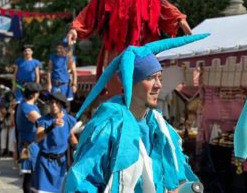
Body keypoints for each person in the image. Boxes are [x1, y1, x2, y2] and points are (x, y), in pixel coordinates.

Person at [64, 34, 209, 192]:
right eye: (150, 78)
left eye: (159, 77)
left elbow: (175, 176)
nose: (158, 85)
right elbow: (83, 183)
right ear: (130, 83)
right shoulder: (107, 128)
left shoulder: (161, 128)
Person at [66, 0, 192, 95]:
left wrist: (180, 20)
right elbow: (90, 11)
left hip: (140, 47)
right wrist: (75, 28)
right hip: (115, 49)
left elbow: (164, 6)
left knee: (142, 89)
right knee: (116, 89)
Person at [32, 92, 78, 192]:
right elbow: (37, 137)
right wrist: (52, 126)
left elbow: (71, 136)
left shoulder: (69, 120)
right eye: (51, 102)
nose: (53, 105)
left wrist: (77, 147)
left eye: (56, 102)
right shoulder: (43, 120)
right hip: (44, 163)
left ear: (61, 104)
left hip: (61, 163)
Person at [15, 83, 42, 193]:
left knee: (30, 177)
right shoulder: (27, 107)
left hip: (30, 144)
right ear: (35, 94)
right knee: (31, 178)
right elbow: (42, 122)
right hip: (30, 146)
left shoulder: (23, 103)